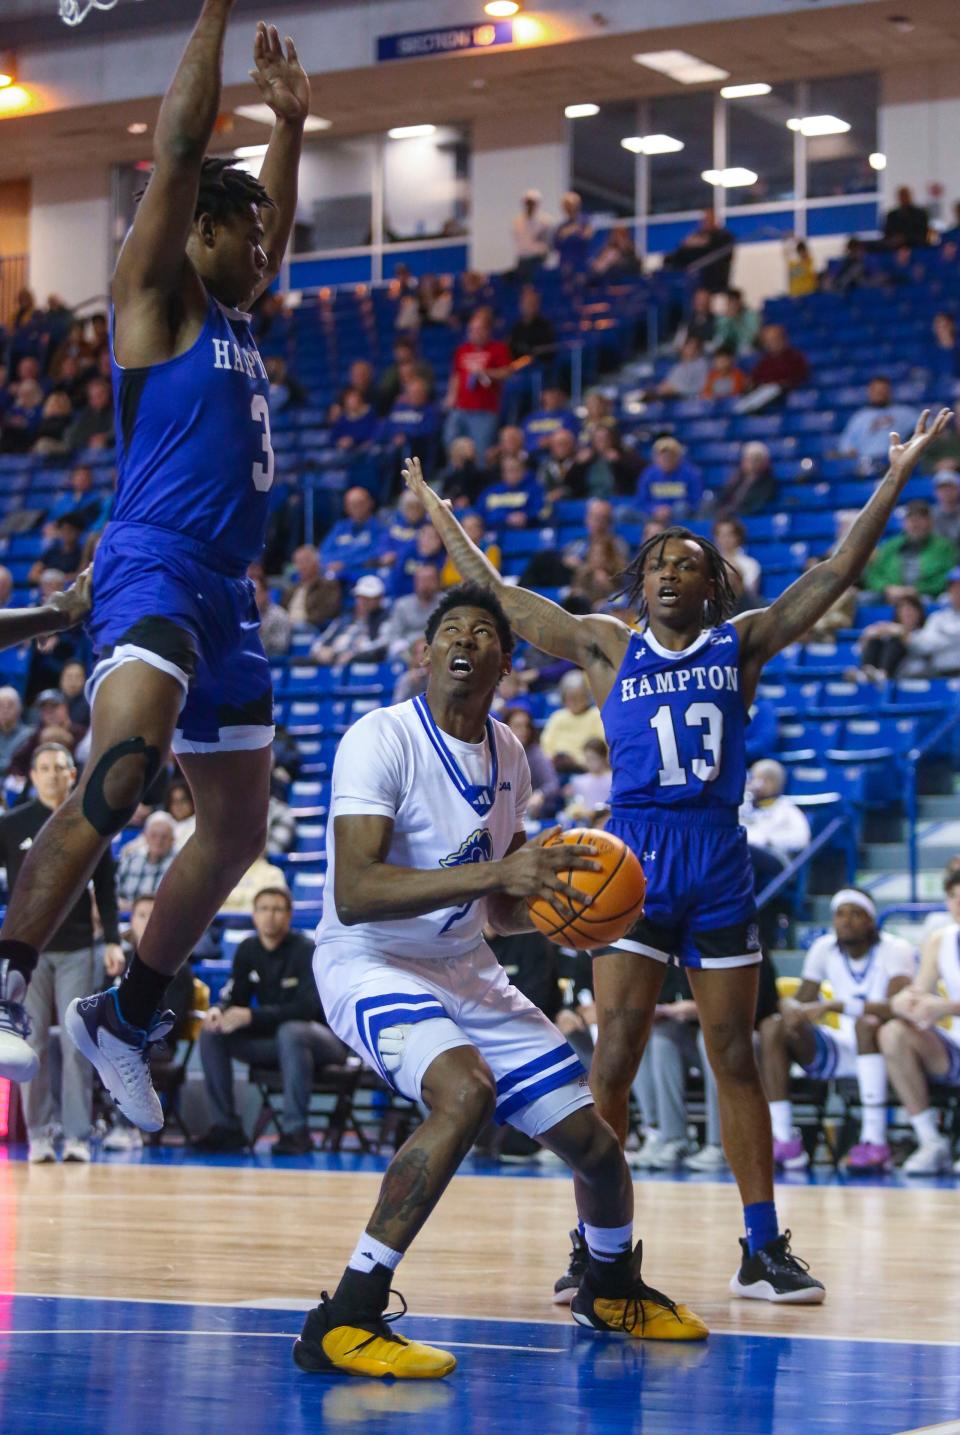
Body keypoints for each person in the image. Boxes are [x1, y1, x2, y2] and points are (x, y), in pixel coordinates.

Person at [403, 410, 956, 1302]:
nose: (668, 572)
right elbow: (499, 597)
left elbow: (840, 569)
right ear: (640, 582)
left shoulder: (742, 643)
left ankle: (761, 1246)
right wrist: (434, 508)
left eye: (686, 564)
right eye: (657, 562)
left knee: (734, 1052)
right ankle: (599, 1245)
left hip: (717, 856)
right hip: (630, 859)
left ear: (711, 586)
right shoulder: (601, 642)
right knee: (613, 1053)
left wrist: (895, 474)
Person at [0, 9, 310, 1122]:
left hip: (229, 592)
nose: (266, 248)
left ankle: (125, 1011)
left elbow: (256, 209)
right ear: (200, 230)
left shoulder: (233, 307)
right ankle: (10, 965)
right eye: (249, 230)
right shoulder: (158, 298)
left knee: (237, 831)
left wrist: (291, 125)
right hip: (155, 567)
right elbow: (180, 152)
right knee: (125, 769)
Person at [295, 581, 706, 1380]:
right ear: (422, 654)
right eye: (449, 630)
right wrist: (503, 870)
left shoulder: (510, 753)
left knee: (595, 1145)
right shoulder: (379, 738)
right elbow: (357, 888)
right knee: (465, 1092)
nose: (464, 642)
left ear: (505, 663)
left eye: (484, 633)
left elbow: (495, 902)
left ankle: (609, 1286)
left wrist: (561, 909)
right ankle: (344, 1316)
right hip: (369, 955)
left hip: (463, 964)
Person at [0, 744, 123, 1163]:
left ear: (74, 775)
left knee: (77, 1044)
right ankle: (38, 1134)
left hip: (76, 947)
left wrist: (111, 939)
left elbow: (106, 887)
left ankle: (76, 1135)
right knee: (27, 1041)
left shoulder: (90, 825)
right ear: (32, 776)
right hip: (26, 954)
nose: (53, 775)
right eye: (45, 768)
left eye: (61, 767)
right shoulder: (12, 825)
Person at [759, 889, 916, 1174]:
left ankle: (875, 1140)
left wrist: (838, 1005)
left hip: (888, 1050)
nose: (846, 921)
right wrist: (791, 1007)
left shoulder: (896, 949)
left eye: (856, 914)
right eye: (840, 914)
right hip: (841, 1049)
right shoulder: (823, 948)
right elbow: (804, 1000)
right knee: (773, 1027)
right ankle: (784, 1140)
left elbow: (896, 1008)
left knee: (866, 1025)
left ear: (871, 921)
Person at [196, 886, 348, 1156]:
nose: (270, 916)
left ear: (289, 916)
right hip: (275, 1042)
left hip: (322, 1042)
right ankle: (227, 1127)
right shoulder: (247, 949)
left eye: (278, 909)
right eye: (264, 909)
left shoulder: (305, 950)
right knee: (212, 1033)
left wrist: (252, 1016)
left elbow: (307, 1009)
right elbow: (235, 997)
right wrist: (221, 1010)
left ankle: (295, 1131)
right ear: (254, 916)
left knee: (291, 1031)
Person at [879, 870, 960, 1175]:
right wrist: (905, 1002)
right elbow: (920, 989)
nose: (958, 902)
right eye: (953, 896)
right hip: (954, 1047)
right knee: (893, 1033)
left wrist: (947, 1006)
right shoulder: (940, 940)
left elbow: (942, 1005)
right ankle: (930, 1140)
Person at [443, 310, 515, 460]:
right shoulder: (462, 350)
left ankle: (478, 479)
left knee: (480, 450)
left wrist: (486, 373)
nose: (474, 333)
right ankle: (456, 475)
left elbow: (507, 372)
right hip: (461, 408)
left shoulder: (498, 349)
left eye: (478, 329)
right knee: (450, 440)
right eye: (471, 329)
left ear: (487, 331)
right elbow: (456, 375)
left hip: (484, 410)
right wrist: (451, 396)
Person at [864, 499, 956, 601]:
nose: (915, 524)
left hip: (927, 595)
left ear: (930, 522)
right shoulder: (890, 546)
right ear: (904, 523)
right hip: (891, 594)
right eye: (911, 519)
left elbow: (948, 576)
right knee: (864, 598)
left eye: (920, 519)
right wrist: (888, 588)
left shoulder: (943, 547)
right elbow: (874, 575)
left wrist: (917, 590)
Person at [311, 575, 390, 666]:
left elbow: (383, 643)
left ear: (379, 599)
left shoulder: (385, 618)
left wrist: (354, 653)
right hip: (333, 657)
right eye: (361, 597)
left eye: (369, 598)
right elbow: (320, 640)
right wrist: (320, 650)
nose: (364, 602)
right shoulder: (344, 618)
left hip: (359, 659)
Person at [839, 377, 918, 467]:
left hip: (896, 463)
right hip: (866, 465)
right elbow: (846, 447)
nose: (879, 393)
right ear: (869, 392)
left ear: (890, 392)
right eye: (875, 390)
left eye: (883, 390)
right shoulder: (859, 417)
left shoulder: (905, 413)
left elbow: (929, 429)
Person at [539, 670, 607, 773]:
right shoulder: (557, 717)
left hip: (586, 769)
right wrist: (554, 759)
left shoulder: (596, 715)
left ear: (586, 696)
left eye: (578, 697)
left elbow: (601, 746)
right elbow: (546, 745)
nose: (574, 702)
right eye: (570, 698)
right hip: (557, 768)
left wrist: (576, 761)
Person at [502, 706, 560, 820]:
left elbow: (552, 784)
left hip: (528, 813)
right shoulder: (494, 752)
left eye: (526, 726)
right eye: (518, 726)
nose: (524, 731)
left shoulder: (535, 753)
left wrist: (540, 794)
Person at [319, 487, 385, 584]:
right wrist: (330, 563)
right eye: (352, 505)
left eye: (361, 503)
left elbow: (376, 554)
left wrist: (345, 563)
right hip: (335, 576)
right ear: (346, 507)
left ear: (371, 503)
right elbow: (324, 552)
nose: (357, 508)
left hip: (363, 575)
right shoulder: (340, 528)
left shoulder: (379, 528)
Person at [115, 811, 178, 904]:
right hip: (125, 916)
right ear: (145, 837)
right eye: (153, 835)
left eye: (164, 837)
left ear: (173, 840)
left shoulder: (179, 866)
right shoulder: (130, 860)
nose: (158, 841)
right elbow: (113, 892)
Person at [635, 437, 703, 523]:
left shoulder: (691, 473)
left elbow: (696, 500)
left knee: (680, 508)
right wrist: (654, 509)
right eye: (662, 455)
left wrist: (669, 510)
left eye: (670, 455)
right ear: (655, 458)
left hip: (679, 515)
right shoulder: (648, 474)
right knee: (622, 513)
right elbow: (641, 501)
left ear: (678, 457)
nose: (666, 458)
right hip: (652, 515)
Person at [716, 442, 777, 519]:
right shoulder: (736, 480)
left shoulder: (769, 483)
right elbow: (722, 498)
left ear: (765, 462)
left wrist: (733, 512)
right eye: (749, 459)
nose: (752, 463)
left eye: (756, 459)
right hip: (727, 515)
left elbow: (757, 506)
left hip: (747, 518)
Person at [713, 518, 760, 600]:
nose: (726, 540)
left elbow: (749, 592)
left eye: (730, 535)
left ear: (738, 537)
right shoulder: (710, 563)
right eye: (722, 535)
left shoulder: (750, 564)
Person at [511, 189, 553, 279]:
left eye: (532, 203)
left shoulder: (545, 222)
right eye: (528, 202)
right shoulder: (517, 221)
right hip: (522, 260)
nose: (529, 205)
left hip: (537, 260)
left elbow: (548, 243)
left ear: (537, 204)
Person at [252, 570, 291, 656]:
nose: (254, 599)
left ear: (266, 593)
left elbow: (280, 647)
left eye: (257, 594)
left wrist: (262, 633)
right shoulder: (243, 617)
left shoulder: (279, 615)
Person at [554, 192, 593, 276]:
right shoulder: (561, 226)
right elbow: (556, 245)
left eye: (570, 205)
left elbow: (586, 239)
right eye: (566, 205)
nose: (568, 208)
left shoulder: (586, 221)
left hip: (581, 265)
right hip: (565, 266)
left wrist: (569, 233)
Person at [713, 289, 759, 356]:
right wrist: (728, 319)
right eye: (730, 302)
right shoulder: (723, 317)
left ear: (740, 302)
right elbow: (720, 334)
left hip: (743, 345)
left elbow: (750, 338)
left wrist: (737, 320)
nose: (732, 305)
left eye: (734, 302)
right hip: (727, 345)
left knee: (745, 349)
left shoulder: (751, 315)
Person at [883, 185, 929, 249]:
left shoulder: (920, 214)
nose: (903, 198)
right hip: (895, 249)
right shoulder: (892, 215)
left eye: (905, 195)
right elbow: (887, 234)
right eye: (901, 196)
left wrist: (905, 238)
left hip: (916, 248)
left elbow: (923, 234)